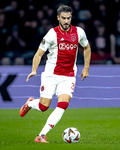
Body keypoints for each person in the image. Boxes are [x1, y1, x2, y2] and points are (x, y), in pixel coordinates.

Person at [19, 5, 91, 143]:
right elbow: (39, 53)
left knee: (63, 104)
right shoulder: (52, 34)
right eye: (63, 18)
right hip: (51, 75)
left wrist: (86, 68)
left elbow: (87, 47)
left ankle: (41, 135)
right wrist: (34, 70)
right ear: (58, 17)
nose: (66, 21)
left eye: (68, 18)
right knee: (43, 106)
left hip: (69, 76)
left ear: (71, 18)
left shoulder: (79, 32)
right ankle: (30, 104)